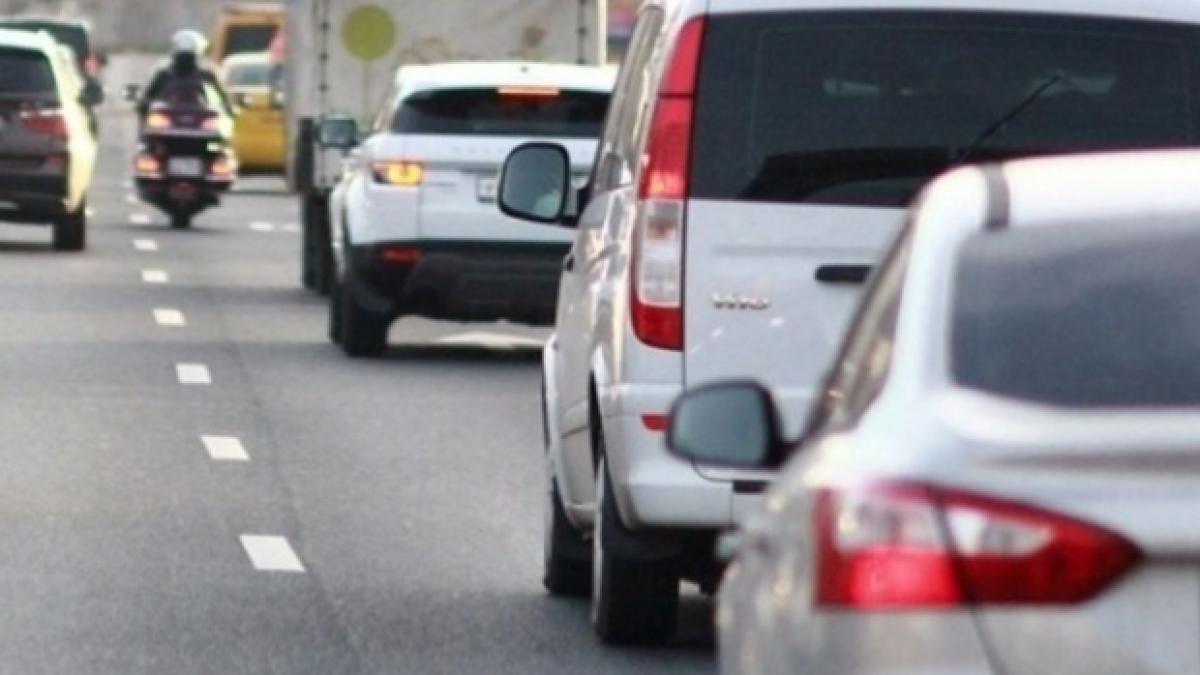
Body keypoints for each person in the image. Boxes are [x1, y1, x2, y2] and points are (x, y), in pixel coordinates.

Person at [139, 29, 234, 119]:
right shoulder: (165, 75)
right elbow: (147, 98)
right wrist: (146, 107)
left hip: (201, 121)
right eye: (183, 57)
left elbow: (222, 98)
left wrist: (227, 110)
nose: (185, 61)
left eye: (188, 57)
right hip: (168, 121)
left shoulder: (206, 76)